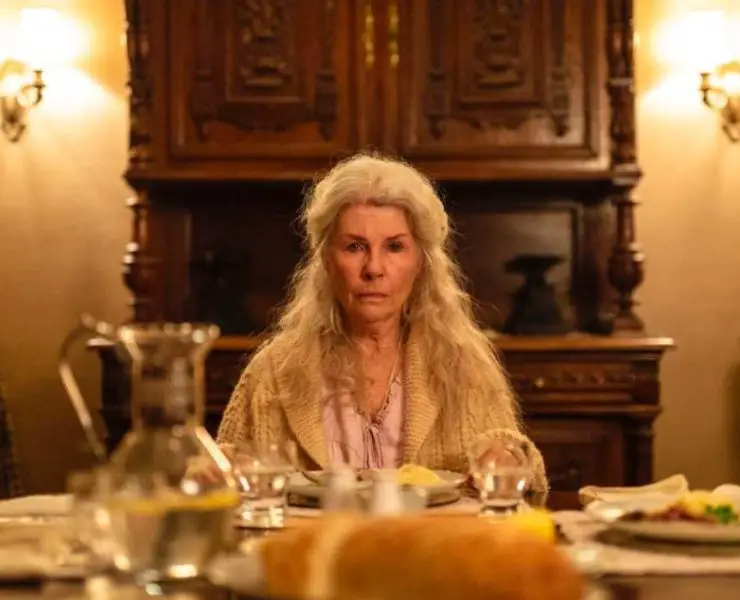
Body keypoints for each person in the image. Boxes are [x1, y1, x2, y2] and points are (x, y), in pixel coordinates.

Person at [216, 153, 548, 496]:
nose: (374, 268)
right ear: (327, 260)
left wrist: (509, 458)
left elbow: (522, 485)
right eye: (354, 246)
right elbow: (221, 489)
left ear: (421, 263)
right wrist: (221, 468)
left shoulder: (465, 365)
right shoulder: (273, 371)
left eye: (394, 247)